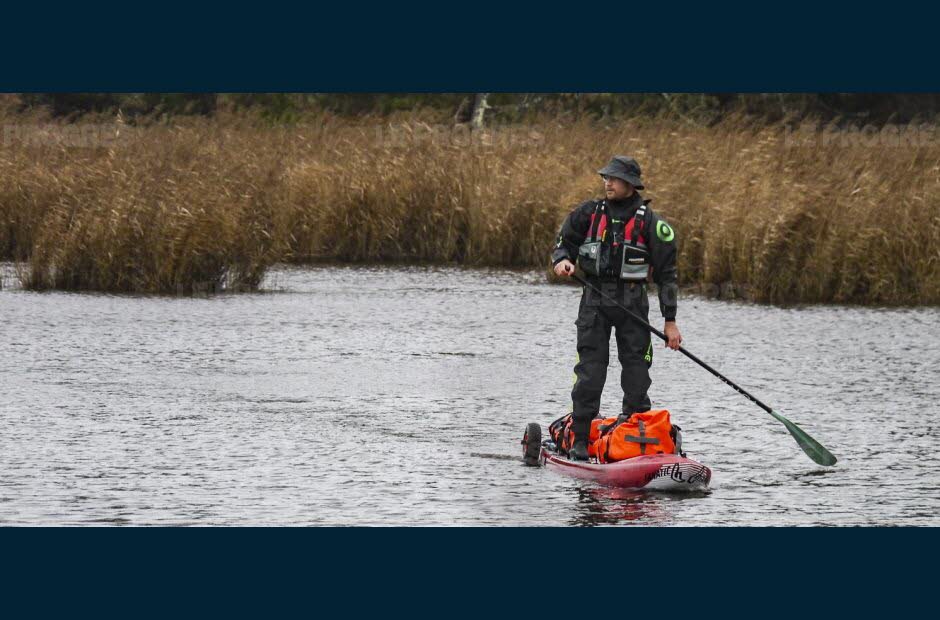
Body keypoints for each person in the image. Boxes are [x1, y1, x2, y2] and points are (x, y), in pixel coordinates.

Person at [551, 156, 682, 461]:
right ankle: (581, 439)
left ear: (631, 184)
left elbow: (667, 275)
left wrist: (670, 322)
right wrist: (562, 261)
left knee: (637, 373)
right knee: (590, 373)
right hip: (594, 300)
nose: (608, 183)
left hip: (633, 304)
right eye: (606, 178)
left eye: (615, 179)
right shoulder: (588, 212)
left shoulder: (652, 223)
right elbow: (563, 243)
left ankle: (635, 437)